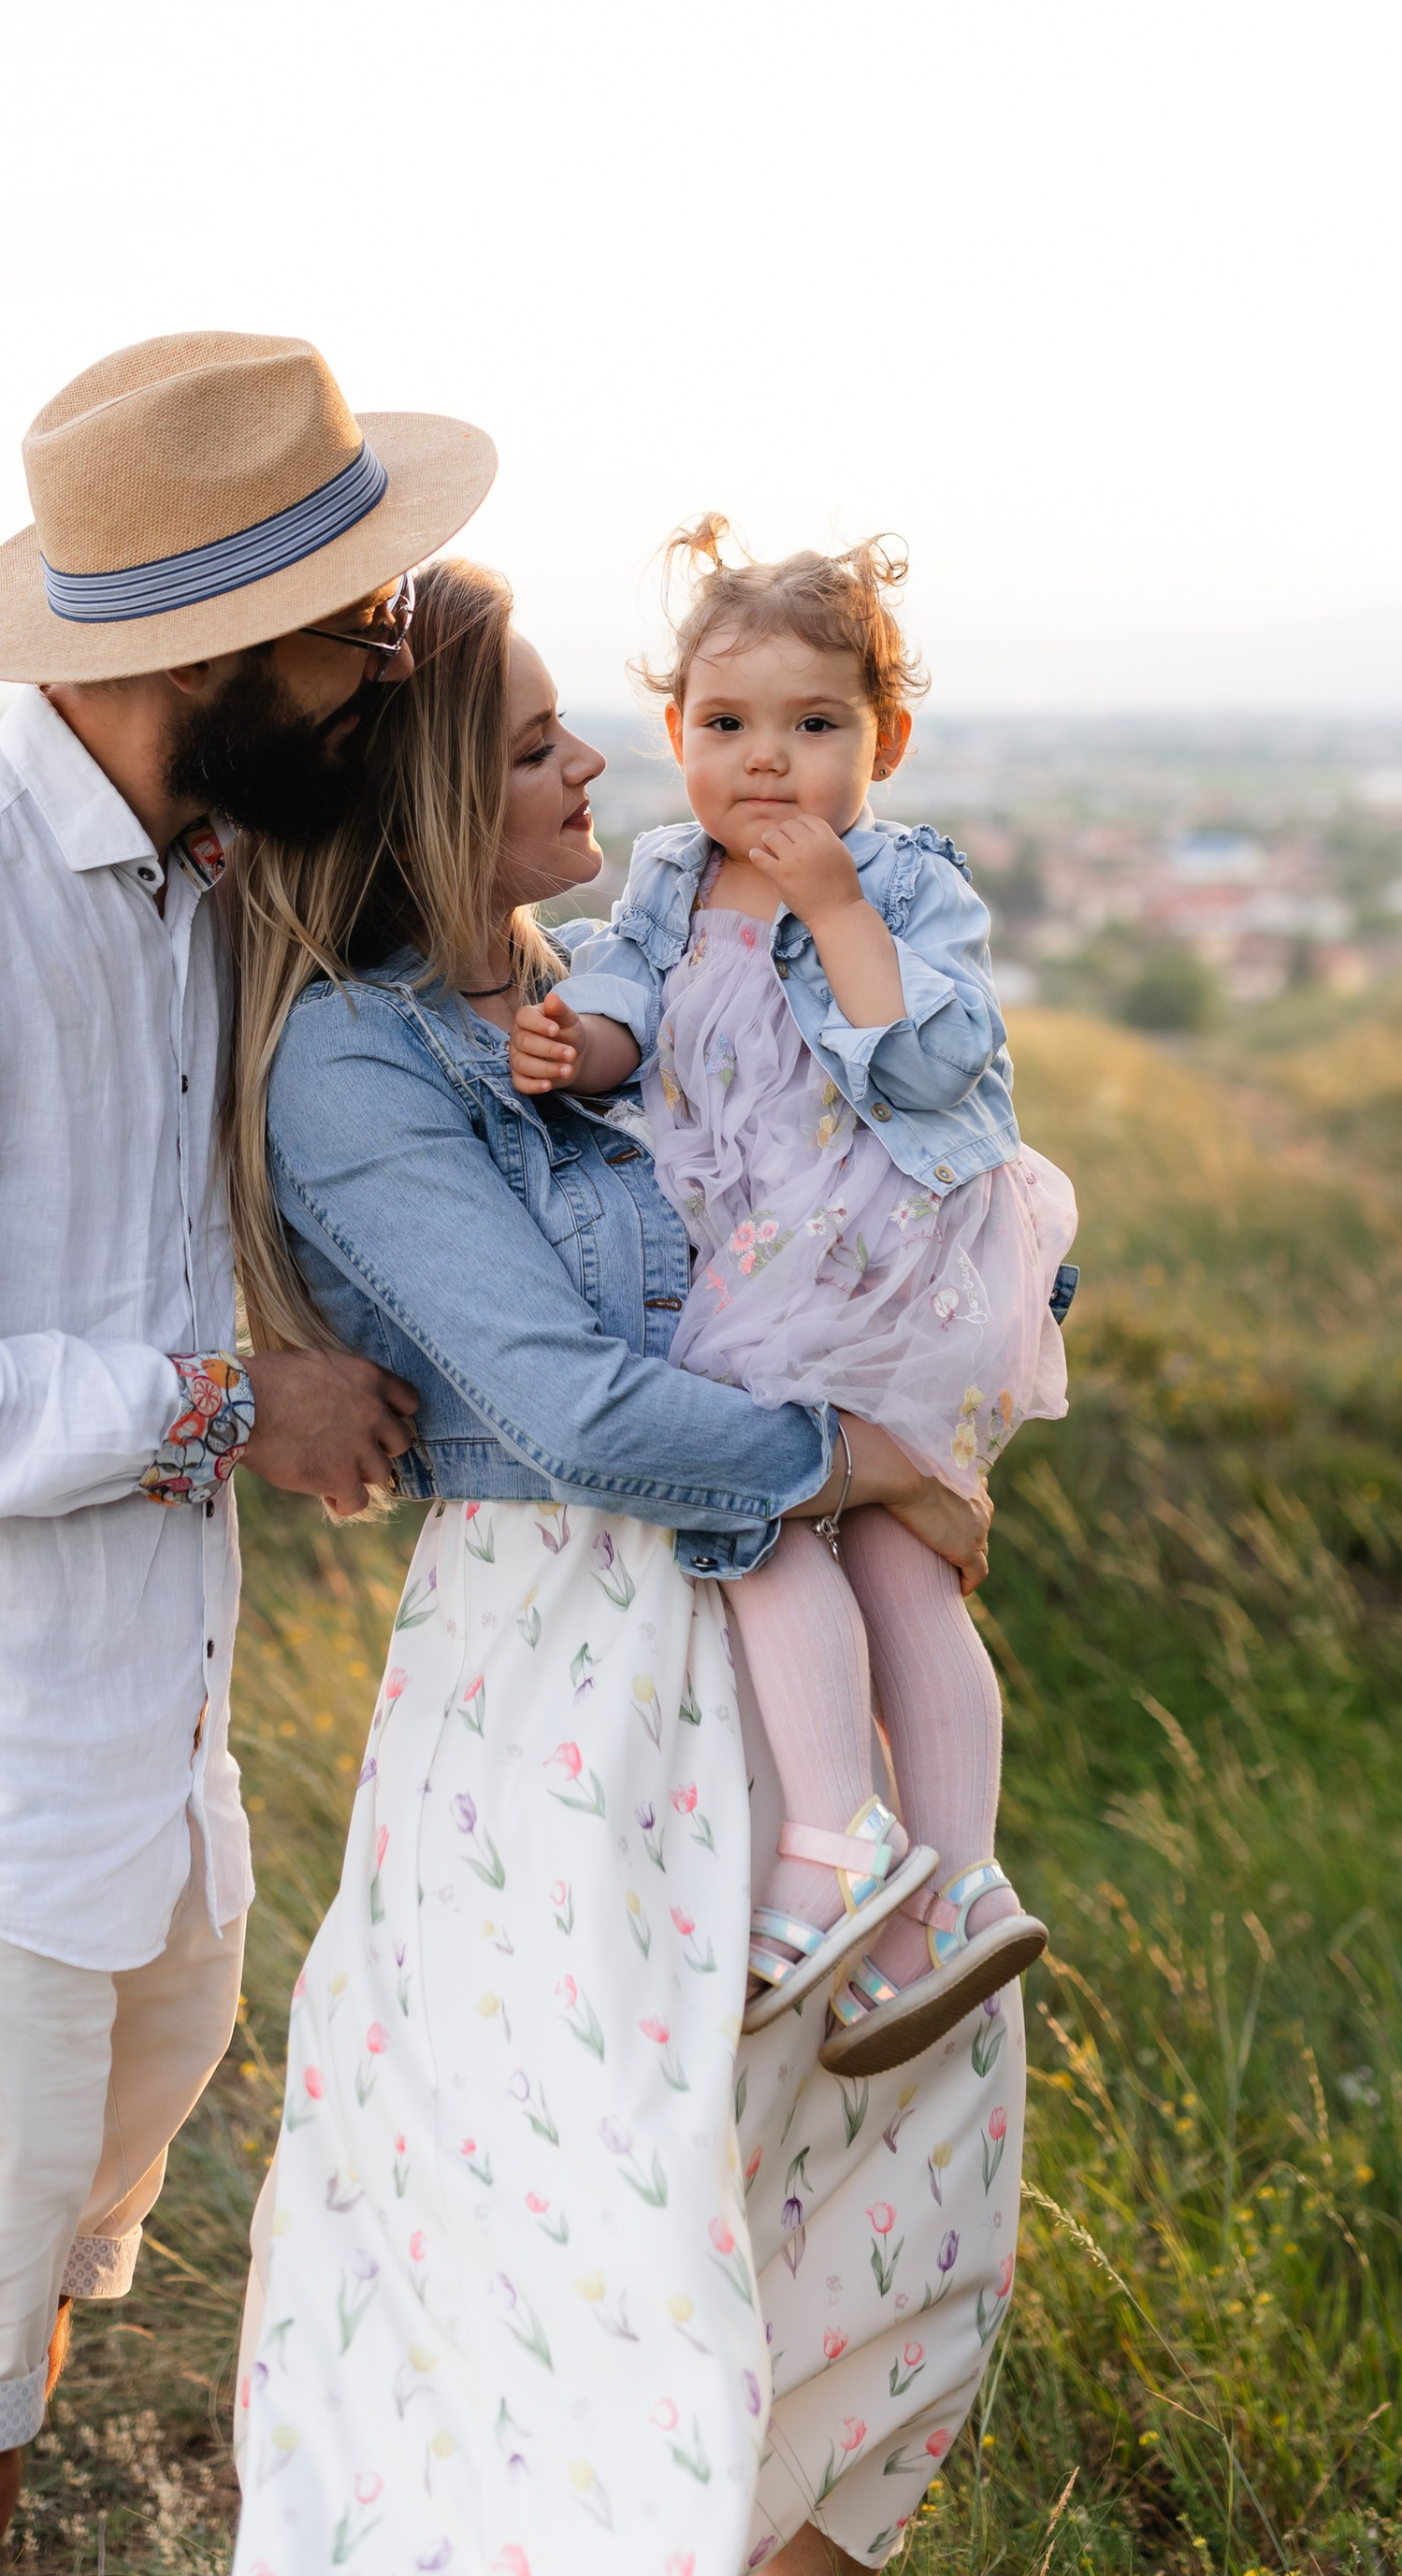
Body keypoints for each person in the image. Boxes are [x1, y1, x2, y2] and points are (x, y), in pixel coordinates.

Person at [0, 328, 497, 2576]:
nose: (386, 663)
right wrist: (234, 1406)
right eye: (359, 623)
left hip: (140, 1791)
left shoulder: (205, 875)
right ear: (212, 648)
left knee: (25, 2358)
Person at [224, 559, 1024, 2576]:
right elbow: (572, 1408)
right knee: (606, 2234)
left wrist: (941, 1357)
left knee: (882, 2211)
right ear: (418, 799)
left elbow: (874, 1183)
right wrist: (859, 1458)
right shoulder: (358, 1064)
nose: (595, 762)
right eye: (527, 747)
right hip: (570, 1673)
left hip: (786, 1641)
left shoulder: (633, 974)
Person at [513, 518, 1075, 2077]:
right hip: (768, 1246)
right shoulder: (669, 878)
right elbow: (628, 1012)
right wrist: (579, 1047)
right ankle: (958, 1896)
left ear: (885, 743)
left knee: (749, 1498)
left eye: (815, 725)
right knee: (889, 1544)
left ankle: (839, 1838)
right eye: (728, 724)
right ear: (676, 735)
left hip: (881, 1247)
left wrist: (837, 909)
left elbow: (932, 1066)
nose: (767, 762)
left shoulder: (904, 882)